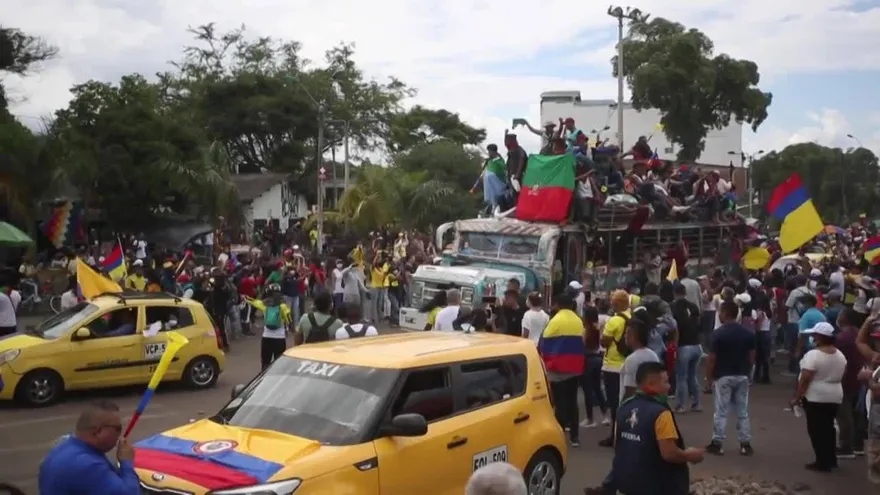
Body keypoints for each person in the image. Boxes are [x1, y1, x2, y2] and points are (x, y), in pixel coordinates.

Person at [586, 361, 703, 495]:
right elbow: (669, 454)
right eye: (665, 382)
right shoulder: (661, 413)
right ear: (651, 385)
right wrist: (690, 455)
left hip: (627, 485)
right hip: (657, 487)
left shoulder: (624, 407)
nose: (669, 387)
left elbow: (617, 446)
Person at [38, 400, 139, 494]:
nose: (120, 435)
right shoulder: (88, 465)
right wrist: (126, 462)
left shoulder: (63, 444)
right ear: (98, 431)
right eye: (117, 429)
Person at [791, 322, 847, 472]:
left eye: (815, 335)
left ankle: (822, 461)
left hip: (816, 396)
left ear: (821, 338)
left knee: (816, 429)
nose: (812, 338)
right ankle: (831, 459)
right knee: (829, 427)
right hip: (835, 394)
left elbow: (805, 378)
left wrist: (797, 397)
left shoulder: (813, 356)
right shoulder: (840, 355)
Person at [704, 300, 755, 456]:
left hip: (723, 376)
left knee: (721, 411)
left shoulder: (718, 334)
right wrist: (747, 372)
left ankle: (717, 442)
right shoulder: (748, 333)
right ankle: (745, 443)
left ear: (725, 313)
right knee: (742, 411)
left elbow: (711, 358)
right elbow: (752, 357)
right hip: (742, 375)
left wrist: (708, 377)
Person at [538, 292, 585, 447]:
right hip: (575, 366)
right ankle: (575, 436)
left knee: (558, 401)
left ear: (558, 304)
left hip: (557, 368)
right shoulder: (578, 321)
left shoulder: (555, 320)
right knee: (572, 400)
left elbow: (544, 343)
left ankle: (558, 434)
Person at [598, 290, 632, 447]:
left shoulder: (614, 321)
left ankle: (614, 436)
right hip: (628, 364)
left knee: (614, 404)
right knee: (625, 401)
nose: (611, 303)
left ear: (617, 303)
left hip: (612, 365)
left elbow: (604, 342)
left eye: (613, 301)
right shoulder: (632, 318)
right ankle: (625, 433)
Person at [834, 308, 866, 458]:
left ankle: (846, 447)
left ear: (845, 319)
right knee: (857, 412)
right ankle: (857, 445)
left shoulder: (842, 338)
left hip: (846, 379)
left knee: (844, 414)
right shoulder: (860, 334)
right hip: (860, 378)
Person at [670, 283, 702, 412]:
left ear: (674, 293)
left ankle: (681, 405)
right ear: (685, 292)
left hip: (683, 346)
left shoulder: (672, 307)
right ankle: (697, 403)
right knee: (692, 375)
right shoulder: (693, 306)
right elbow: (699, 322)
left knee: (681, 377)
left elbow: (672, 326)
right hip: (697, 346)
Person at [244, 283, 292, 369]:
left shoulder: (264, 305)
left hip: (266, 337)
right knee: (279, 364)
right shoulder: (283, 306)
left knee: (265, 363)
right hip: (279, 338)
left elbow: (253, 302)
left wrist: (245, 298)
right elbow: (289, 321)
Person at [581, 306, 608, 428]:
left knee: (588, 390)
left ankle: (590, 419)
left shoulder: (586, 329)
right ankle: (605, 415)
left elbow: (583, 344)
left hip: (588, 359)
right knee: (597, 389)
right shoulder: (599, 327)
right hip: (598, 358)